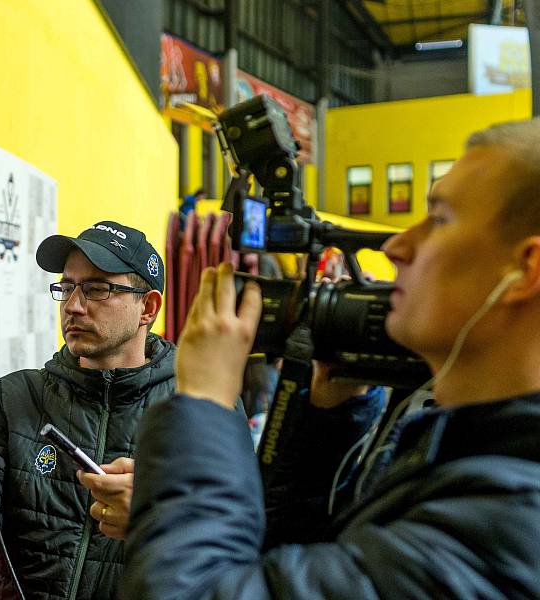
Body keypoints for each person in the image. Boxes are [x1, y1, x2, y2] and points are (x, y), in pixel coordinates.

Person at [124, 119, 540, 598]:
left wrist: (204, 400)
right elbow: (307, 563)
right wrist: (332, 420)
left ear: (526, 269)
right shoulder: (472, 451)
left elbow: (192, 591)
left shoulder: (506, 522)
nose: (397, 245)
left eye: (440, 220)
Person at [0, 221, 175, 598]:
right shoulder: (16, 396)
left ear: (147, 308)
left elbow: (240, 547)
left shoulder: (201, 409)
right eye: (67, 287)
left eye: (97, 289)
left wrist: (161, 519)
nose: (73, 306)